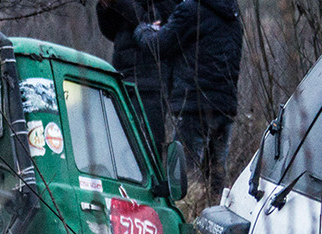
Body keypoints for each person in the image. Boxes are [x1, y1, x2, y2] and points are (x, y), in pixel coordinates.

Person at [133, 0, 242, 199]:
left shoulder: (191, 11)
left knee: (183, 181)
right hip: (225, 108)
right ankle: (208, 223)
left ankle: (182, 223)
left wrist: (143, 30)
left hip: (194, 106)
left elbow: (159, 46)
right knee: (216, 181)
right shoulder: (233, 18)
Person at [96, 0, 178, 151]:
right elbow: (111, 31)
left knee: (149, 148)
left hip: (151, 81)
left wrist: (118, 4)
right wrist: (105, 8)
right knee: (118, 145)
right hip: (122, 77)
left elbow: (154, 23)